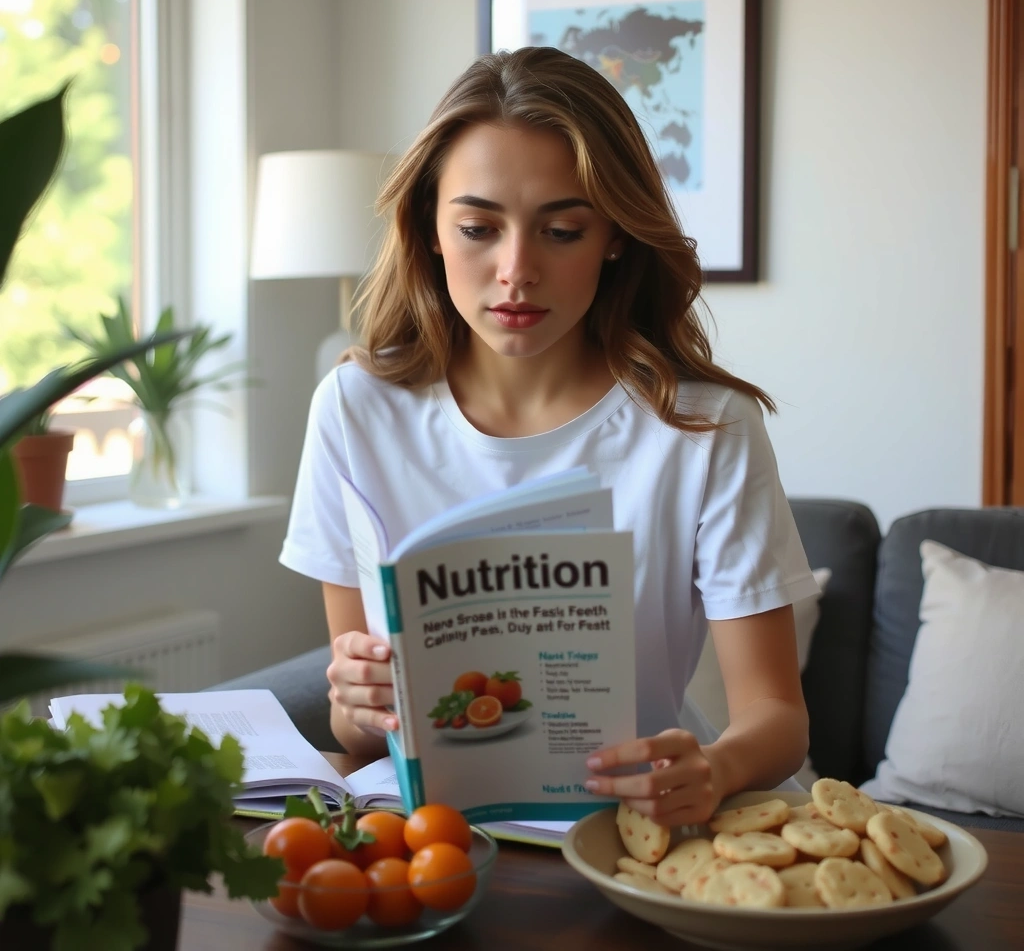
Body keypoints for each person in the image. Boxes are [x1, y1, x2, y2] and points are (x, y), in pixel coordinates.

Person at [280, 46, 820, 828]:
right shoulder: (355, 409)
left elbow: (775, 714)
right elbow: (357, 735)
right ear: (429, 228)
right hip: (441, 840)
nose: (516, 270)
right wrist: (359, 699)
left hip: (636, 834)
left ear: (615, 237)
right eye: (477, 228)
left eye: (562, 230)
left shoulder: (702, 428)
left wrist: (715, 766)